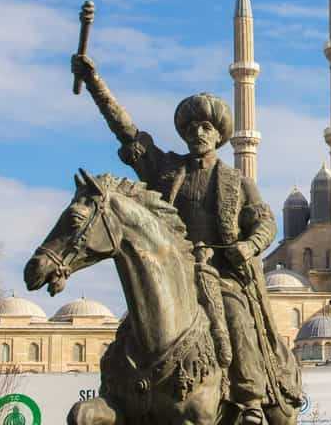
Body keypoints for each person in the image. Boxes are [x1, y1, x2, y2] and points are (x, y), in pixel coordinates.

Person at [71, 53, 299, 425]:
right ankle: (118, 389)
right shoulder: (168, 171)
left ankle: (250, 399)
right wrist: (96, 84)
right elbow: (128, 133)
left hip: (219, 273)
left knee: (236, 318)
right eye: (192, 127)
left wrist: (248, 246)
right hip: (172, 273)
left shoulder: (236, 181)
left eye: (206, 127)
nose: (198, 133)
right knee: (135, 326)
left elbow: (265, 224)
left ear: (219, 135)